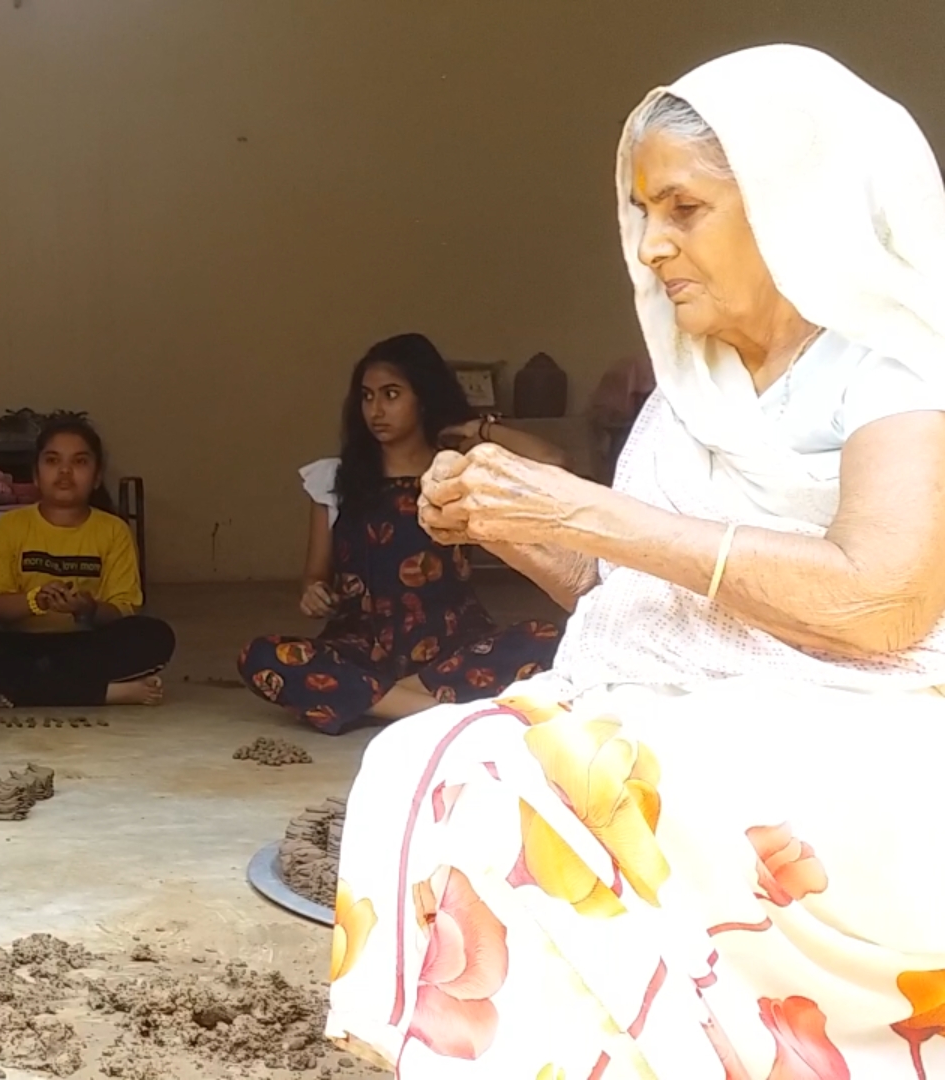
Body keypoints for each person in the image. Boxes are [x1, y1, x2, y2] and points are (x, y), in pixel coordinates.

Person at [326, 46, 945, 1078]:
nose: (652, 246)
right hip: (690, 700)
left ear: (794, 201)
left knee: (498, 772)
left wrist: (590, 512)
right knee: (426, 758)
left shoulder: (896, 368)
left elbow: (881, 600)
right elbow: (639, 595)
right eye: (642, 211)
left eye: (685, 209)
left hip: (857, 722)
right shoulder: (689, 386)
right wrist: (510, 525)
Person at [238, 334, 565, 734]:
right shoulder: (334, 479)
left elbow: (552, 461)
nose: (376, 410)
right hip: (361, 648)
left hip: (451, 646)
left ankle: (378, 701)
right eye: (367, 396)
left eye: (391, 394)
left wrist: (471, 427)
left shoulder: (456, 471)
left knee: (547, 637)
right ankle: (446, 714)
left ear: (423, 398)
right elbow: (315, 576)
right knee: (262, 656)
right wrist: (312, 592)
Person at [0, 418, 173, 707]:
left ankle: (23, 691)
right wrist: (36, 601)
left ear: (97, 477)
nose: (64, 472)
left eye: (80, 462)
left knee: (155, 636)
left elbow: (124, 610)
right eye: (52, 461)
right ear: (36, 475)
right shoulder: (10, 526)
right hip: (23, 648)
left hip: (86, 647)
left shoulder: (113, 530)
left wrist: (87, 609)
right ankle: (106, 693)